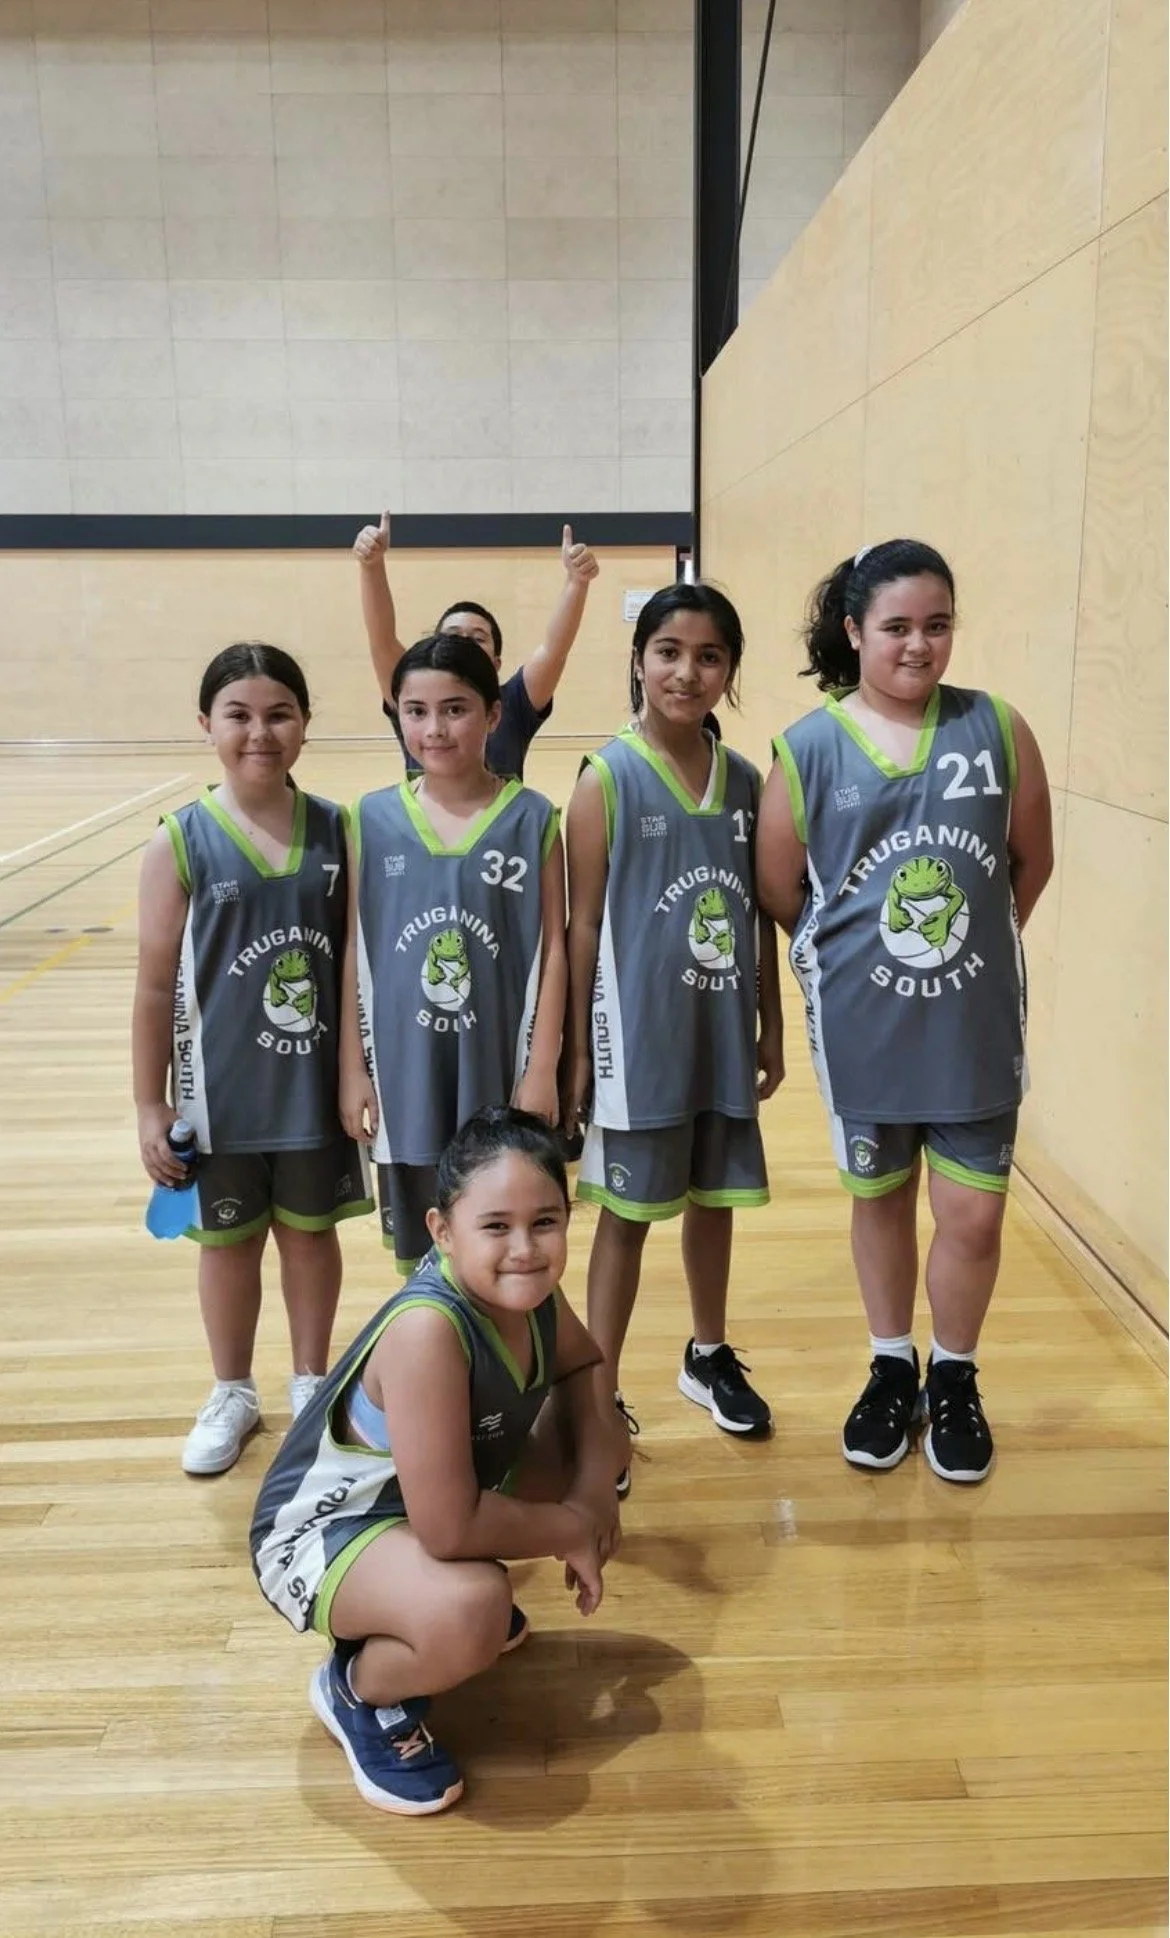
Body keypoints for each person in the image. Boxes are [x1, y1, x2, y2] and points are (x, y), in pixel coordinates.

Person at [756, 539, 1054, 1484]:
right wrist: (856, 966)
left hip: (971, 1032)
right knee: (879, 1202)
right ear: (854, 632)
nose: (919, 646)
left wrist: (969, 953)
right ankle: (892, 1363)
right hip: (865, 1032)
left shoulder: (998, 727)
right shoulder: (806, 748)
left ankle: (955, 1377)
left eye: (937, 626)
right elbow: (779, 887)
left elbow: (1029, 862)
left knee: (972, 1219)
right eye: (896, 628)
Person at [250, 1105, 626, 1816]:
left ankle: (419, 1603)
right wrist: (571, 1527)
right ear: (441, 1231)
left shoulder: (534, 1293)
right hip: (322, 1534)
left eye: (545, 1222)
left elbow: (584, 1372)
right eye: (496, 1226)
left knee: (594, 1435)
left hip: (420, 1504)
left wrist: (591, 1493)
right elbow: (451, 1529)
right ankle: (360, 1689)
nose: (525, 1248)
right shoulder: (427, 1329)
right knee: (473, 1606)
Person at [132, 643, 373, 1477]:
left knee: (311, 1239)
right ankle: (232, 1389)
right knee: (228, 1246)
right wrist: (148, 1104)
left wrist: (356, 1072)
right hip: (219, 1099)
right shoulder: (181, 842)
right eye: (238, 714)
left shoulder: (341, 829)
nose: (260, 732)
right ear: (206, 726)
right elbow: (156, 985)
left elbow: (355, 965)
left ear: (305, 724)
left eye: (279, 714)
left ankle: (313, 1385)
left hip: (312, 1092)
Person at [563, 583, 784, 1491]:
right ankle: (597, 1402)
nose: (686, 671)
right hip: (636, 1042)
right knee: (626, 1218)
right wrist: (578, 1050)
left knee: (715, 1198)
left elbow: (763, 913)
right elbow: (579, 928)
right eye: (668, 651)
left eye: (708, 656)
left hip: (721, 1026)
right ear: (639, 659)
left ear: (729, 670)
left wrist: (771, 1016)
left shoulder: (745, 782)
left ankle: (707, 1351)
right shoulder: (603, 778)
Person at [341, 632, 567, 1274]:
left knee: (504, 1237)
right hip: (406, 1066)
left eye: (455, 709)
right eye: (416, 711)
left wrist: (542, 1068)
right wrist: (353, 1069)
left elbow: (554, 952)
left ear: (494, 715)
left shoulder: (532, 818)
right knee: (422, 1253)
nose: (434, 729)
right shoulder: (371, 819)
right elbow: (356, 952)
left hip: (498, 1062)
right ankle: (430, 1363)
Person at [352, 512, 600, 778]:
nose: (464, 642)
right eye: (453, 634)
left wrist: (577, 582)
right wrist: (372, 565)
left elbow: (555, 649)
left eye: (478, 637)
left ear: (495, 663)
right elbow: (382, 640)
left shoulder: (514, 702)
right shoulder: (415, 694)